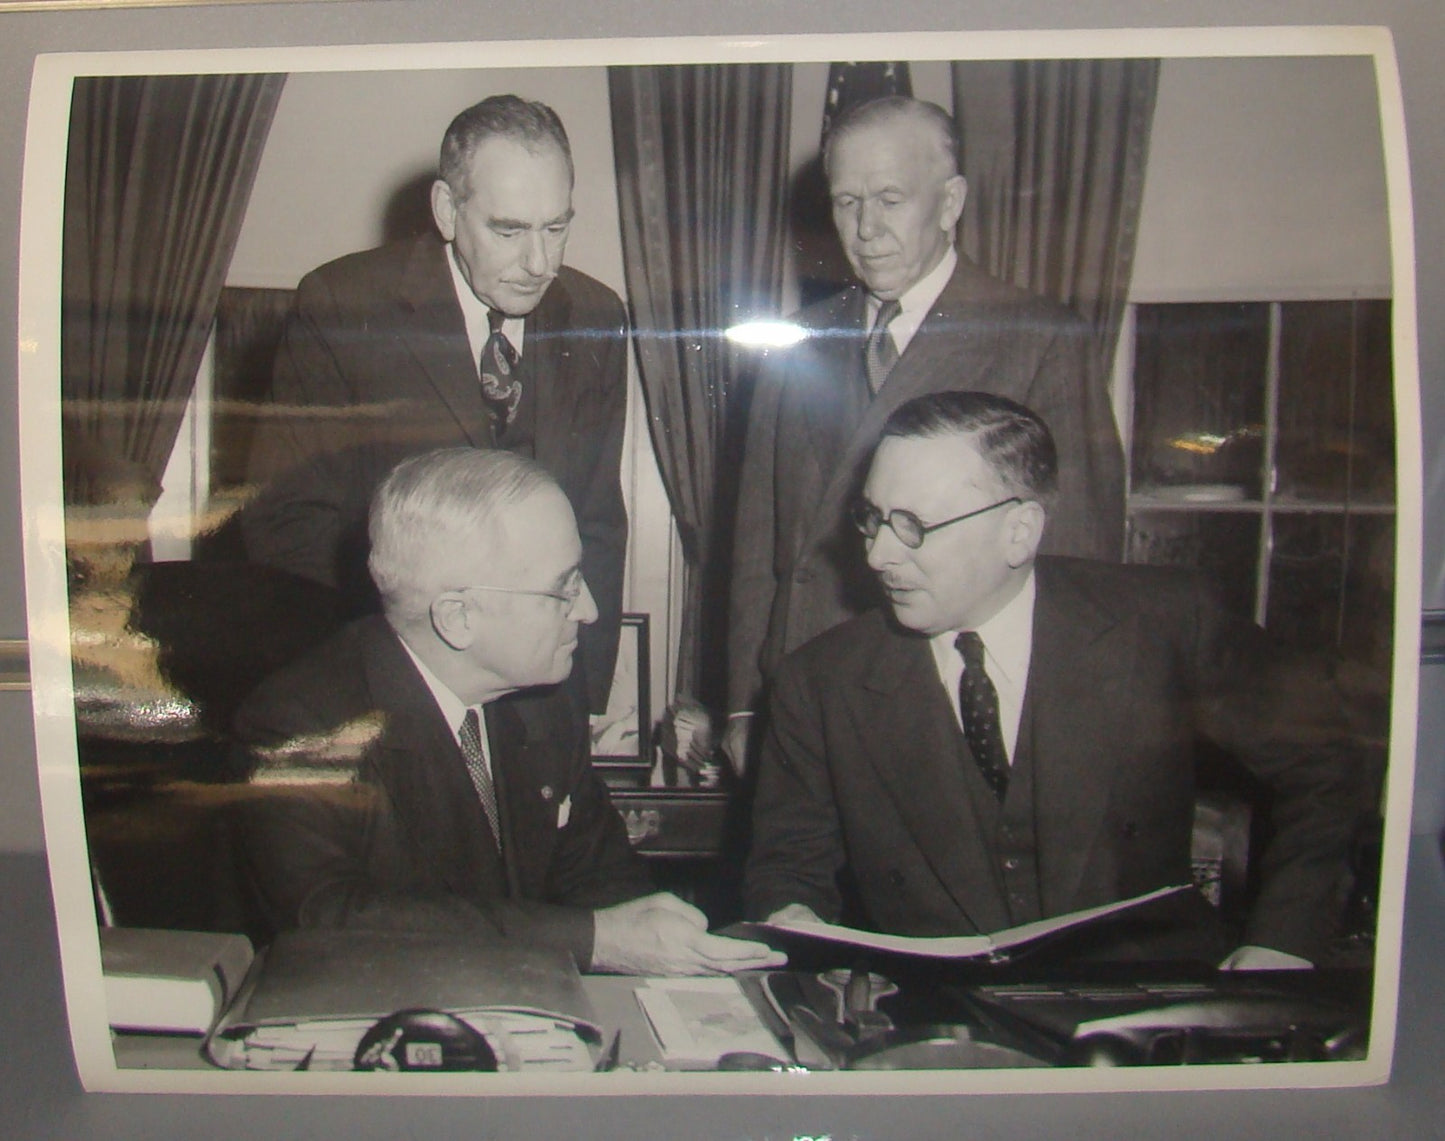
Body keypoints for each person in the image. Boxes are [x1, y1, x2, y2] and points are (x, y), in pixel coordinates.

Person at [744, 391, 1363, 968]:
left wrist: (1284, 941)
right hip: (934, 1030)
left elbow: (1323, 764)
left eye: (913, 526)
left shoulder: (1168, 623)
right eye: (872, 518)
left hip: (1146, 1018)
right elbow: (789, 872)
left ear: (1020, 531)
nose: (878, 554)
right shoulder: (819, 683)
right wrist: (788, 921)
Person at [234, 447, 782, 976]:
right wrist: (598, 943)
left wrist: (673, 940)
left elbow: (603, 884)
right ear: (458, 618)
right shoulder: (298, 723)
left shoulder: (549, 700)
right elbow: (326, 921)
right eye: (562, 589)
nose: (589, 611)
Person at [727, 95, 1125, 770]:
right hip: (805, 702)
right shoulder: (794, 345)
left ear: (948, 203)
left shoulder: (1037, 338)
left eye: (889, 198)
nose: (865, 227)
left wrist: (1057, 718)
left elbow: (1079, 551)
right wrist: (743, 702)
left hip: (951, 703)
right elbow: (756, 544)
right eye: (846, 201)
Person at [242, 94, 628, 714]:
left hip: (540, 693)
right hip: (385, 687)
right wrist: (361, 685)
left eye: (556, 227)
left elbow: (599, 520)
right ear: (448, 210)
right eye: (508, 230)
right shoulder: (344, 303)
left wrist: (579, 698)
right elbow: (287, 519)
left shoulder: (599, 316)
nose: (539, 263)